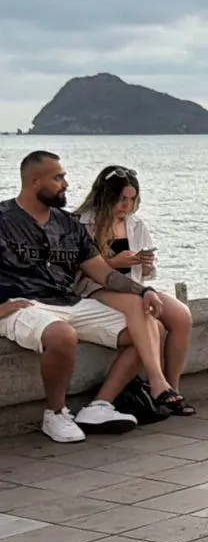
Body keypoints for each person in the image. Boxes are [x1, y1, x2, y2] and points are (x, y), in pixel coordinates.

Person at [0, 152, 158, 442]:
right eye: (58, 178)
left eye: (65, 177)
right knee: (62, 334)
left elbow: (102, 273)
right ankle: (56, 414)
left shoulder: (67, 224)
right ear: (35, 181)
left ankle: (99, 406)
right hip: (21, 305)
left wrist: (144, 290)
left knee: (148, 327)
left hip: (68, 301)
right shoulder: (3, 219)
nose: (66, 184)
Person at [73, 165, 196, 415]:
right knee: (146, 313)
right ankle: (157, 384)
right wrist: (113, 263)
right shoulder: (83, 224)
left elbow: (146, 274)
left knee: (181, 316)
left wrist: (146, 264)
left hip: (136, 286)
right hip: (96, 288)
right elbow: (75, 271)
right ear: (104, 196)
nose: (126, 206)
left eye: (131, 199)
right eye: (120, 199)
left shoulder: (136, 224)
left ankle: (172, 388)